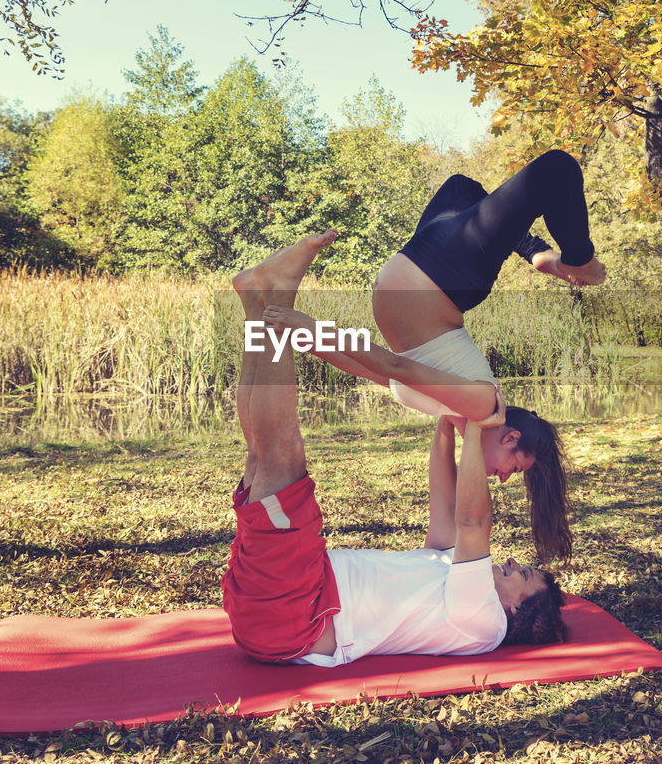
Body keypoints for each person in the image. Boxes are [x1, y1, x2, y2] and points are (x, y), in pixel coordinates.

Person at [224, 231, 566, 666]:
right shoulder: (451, 576)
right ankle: (258, 304)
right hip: (287, 594)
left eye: (525, 576)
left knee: (280, 457)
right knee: (260, 454)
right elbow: (445, 505)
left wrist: (479, 428)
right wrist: (448, 423)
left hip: (293, 610)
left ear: (519, 609)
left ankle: (276, 300)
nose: (515, 563)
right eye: (525, 569)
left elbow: (472, 519)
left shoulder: (485, 623)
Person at [260, 150, 602, 559]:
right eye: (513, 469)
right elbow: (394, 363)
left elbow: (376, 371)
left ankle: (539, 255)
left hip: (428, 260)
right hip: (446, 275)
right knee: (555, 169)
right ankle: (577, 261)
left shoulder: (454, 416)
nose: (501, 478)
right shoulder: (483, 404)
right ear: (511, 438)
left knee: (464, 188)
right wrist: (315, 328)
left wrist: (309, 341)